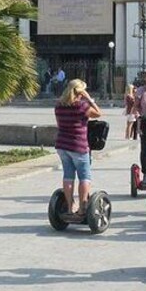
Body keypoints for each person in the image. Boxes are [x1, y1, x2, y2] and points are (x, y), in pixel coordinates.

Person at [54, 79, 101, 215]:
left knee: (68, 176)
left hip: (62, 145)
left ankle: (69, 208)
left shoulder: (59, 106)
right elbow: (98, 113)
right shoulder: (82, 106)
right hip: (78, 146)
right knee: (84, 177)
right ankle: (82, 208)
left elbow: (59, 125)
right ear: (80, 92)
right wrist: (89, 99)